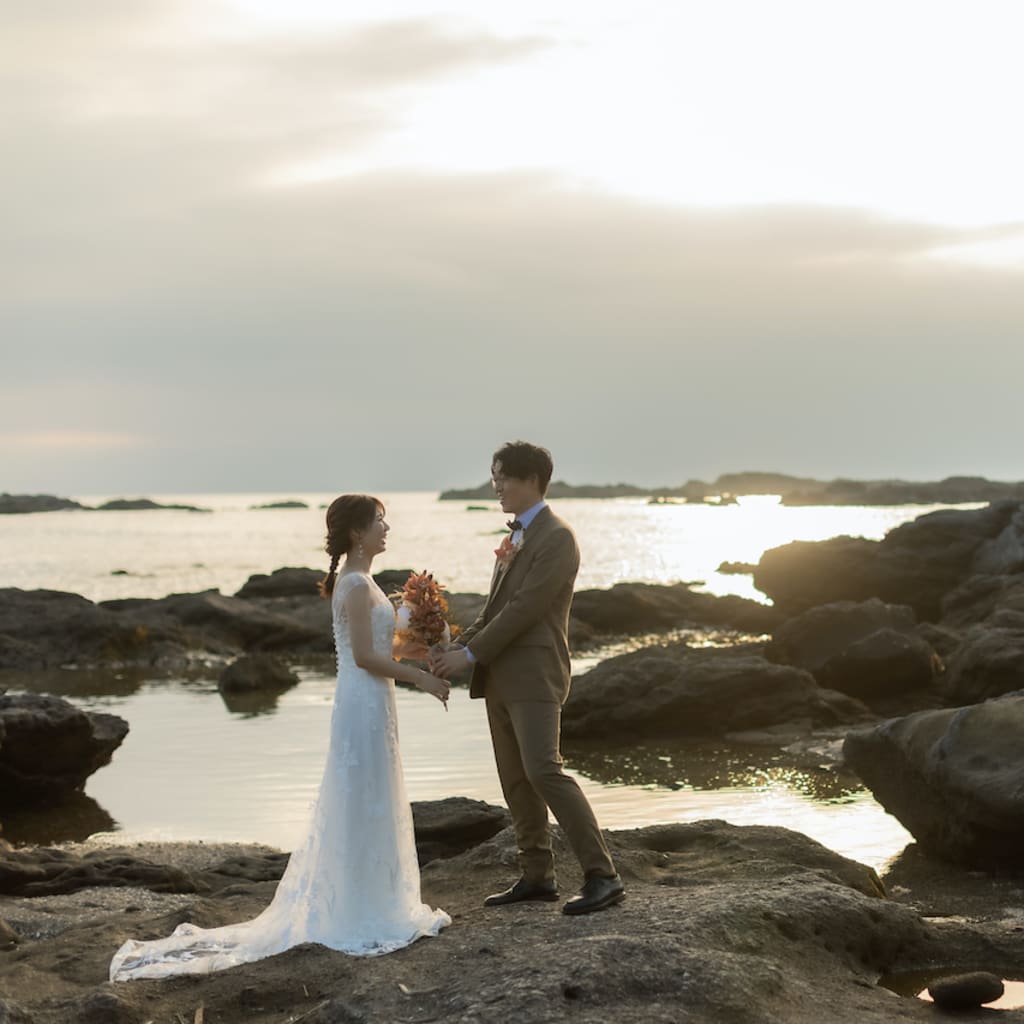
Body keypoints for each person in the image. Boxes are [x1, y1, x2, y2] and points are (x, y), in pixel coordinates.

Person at [110, 495, 451, 981]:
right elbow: (362, 658)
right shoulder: (354, 585)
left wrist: (430, 649)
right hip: (362, 701)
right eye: (379, 522)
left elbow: (384, 646)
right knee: (360, 795)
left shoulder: (365, 582)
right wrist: (420, 679)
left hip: (375, 701)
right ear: (357, 533)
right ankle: (361, 909)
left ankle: (377, 898)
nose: (386, 528)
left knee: (373, 793)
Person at [431, 441, 624, 915]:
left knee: (544, 771)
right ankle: (537, 876)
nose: (495, 486)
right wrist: (457, 646)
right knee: (515, 780)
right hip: (500, 677)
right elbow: (496, 608)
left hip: (535, 674)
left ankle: (604, 876)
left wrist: (471, 654)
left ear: (532, 481)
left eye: (503, 478)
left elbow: (526, 610)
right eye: (493, 477)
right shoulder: (515, 538)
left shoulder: (557, 537)